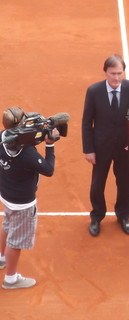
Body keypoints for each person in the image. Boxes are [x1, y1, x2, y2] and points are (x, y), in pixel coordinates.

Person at [82, 54, 129, 236]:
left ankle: (124, 216)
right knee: (97, 184)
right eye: (112, 73)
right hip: (101, 147)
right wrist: (89, 149)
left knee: (125, 183)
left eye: (119, 73)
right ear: (105, 73)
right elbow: (87, 122)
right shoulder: (93, 91)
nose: (116, 78)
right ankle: (96, 217)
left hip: (124, 147)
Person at [0, 107, 60, 289]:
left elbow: (22, 140)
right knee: (16, 242)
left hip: (6, 194)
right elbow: (48, 169)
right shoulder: (27, 155)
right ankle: (11, 279)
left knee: (7, 225)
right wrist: (49, 144)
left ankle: (1, 258)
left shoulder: (3, 137)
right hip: (22, 204)